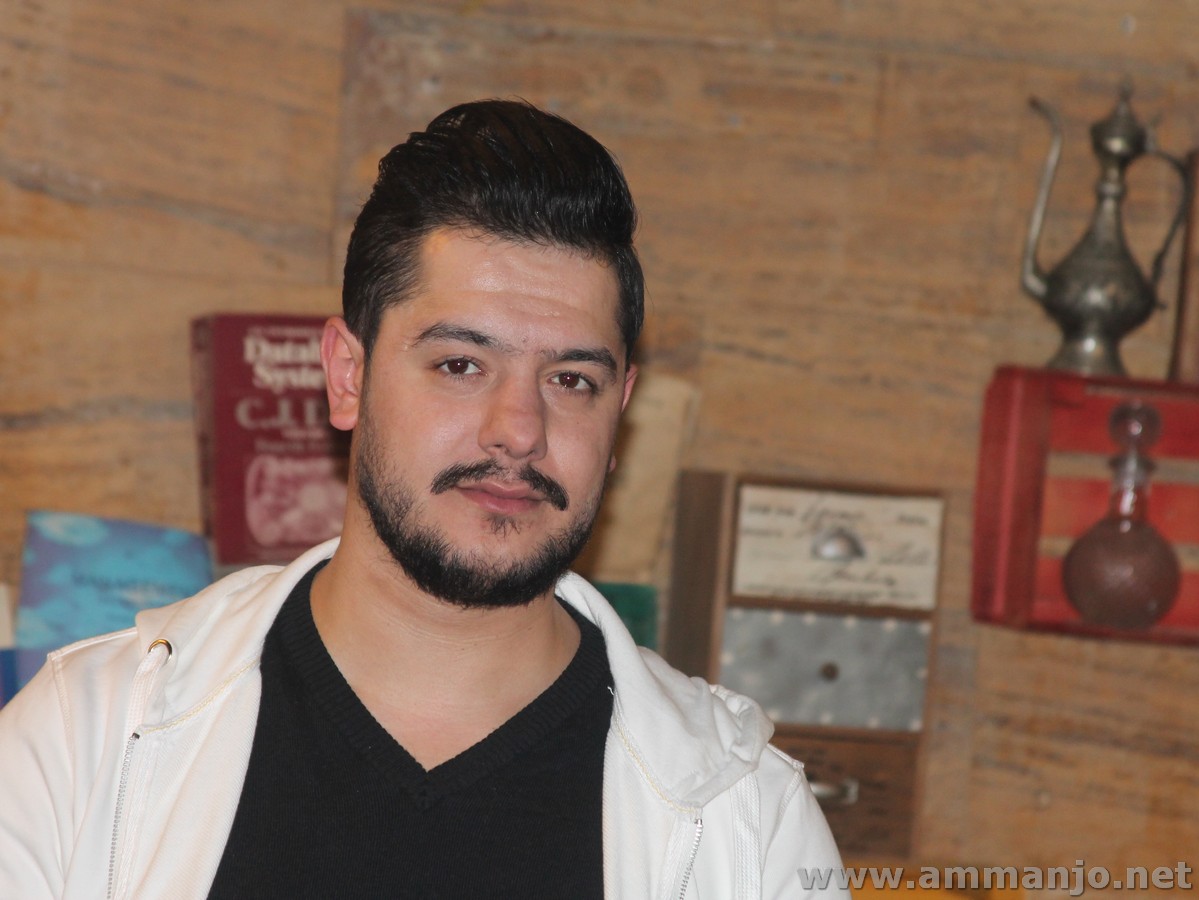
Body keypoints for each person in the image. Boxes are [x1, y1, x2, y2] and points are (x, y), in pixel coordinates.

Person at [0, 99, 847, 898]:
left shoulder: (747, 817)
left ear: (620, 408)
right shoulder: (83, 743)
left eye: (571, 380)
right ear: (348, 375)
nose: (519, 431)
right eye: (460, 365)